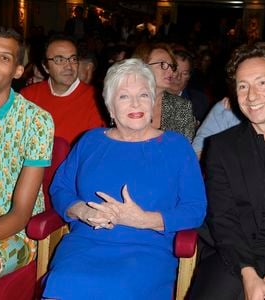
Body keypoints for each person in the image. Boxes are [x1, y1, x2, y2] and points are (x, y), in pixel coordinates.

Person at [42, 58, 207, 300]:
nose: (135, 103)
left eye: (142, 95)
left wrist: (143, 219)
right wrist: (81, 210)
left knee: (122, 288)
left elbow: (196, 209)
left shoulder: (176, 147)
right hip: (85, 244)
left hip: (147, 250)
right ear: (110, 107)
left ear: (153, 100)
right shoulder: (90, 141)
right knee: (66, 280)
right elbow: (60, 187)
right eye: (123, 97)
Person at [190, 42, 265, 300]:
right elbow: (222, 217)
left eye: (262, 83)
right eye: (242, 86)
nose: (251, 96)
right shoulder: (221, 146)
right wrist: (248, 274)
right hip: (232, 253)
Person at [0, 26, 54, 299]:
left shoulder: (36, 121)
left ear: (18, 71)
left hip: (13, 232)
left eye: (4, 58)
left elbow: (20, 213)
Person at [21, 34, 104, 145]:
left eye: (73, 59)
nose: (68, 66)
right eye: (59, 60)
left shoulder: (96, 99)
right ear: (45, 67)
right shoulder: (28, 96)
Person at [133, 43, 196, 142]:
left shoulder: (181, 106)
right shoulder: (125, 103)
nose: (171, 71)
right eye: (162, 64)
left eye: (171, 66)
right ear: (142, 66)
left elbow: (185, 149)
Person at [169, 49, 209, 125]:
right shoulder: (152, 98)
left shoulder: (199, 102)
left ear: (189, 77)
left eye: (184, 73)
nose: (178, 77)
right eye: (175, 71)